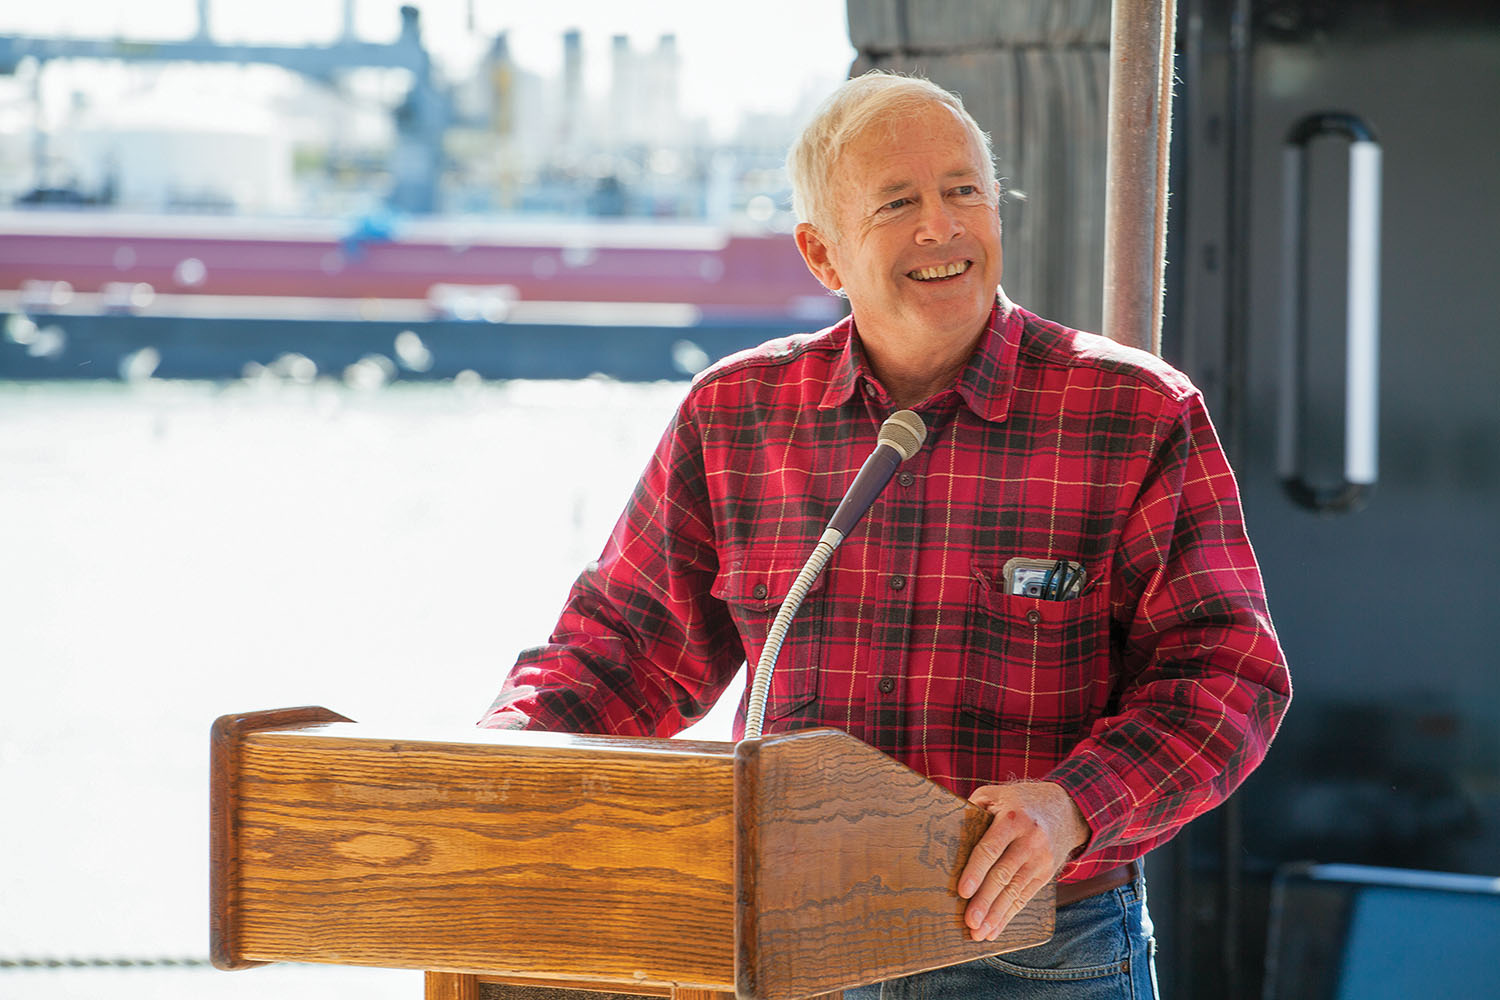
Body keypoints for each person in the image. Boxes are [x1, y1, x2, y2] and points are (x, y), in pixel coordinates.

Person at [481, 71, 1291, 1000]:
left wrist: (1073, 806)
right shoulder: (735, 414)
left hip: (1034, 952)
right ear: (822, 255)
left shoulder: (1136, 412)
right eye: (898, 202)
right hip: (788, 942)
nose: (942, 227)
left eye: (964, 191)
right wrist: (491, 761)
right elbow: (623, 653)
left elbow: (1228, 676)